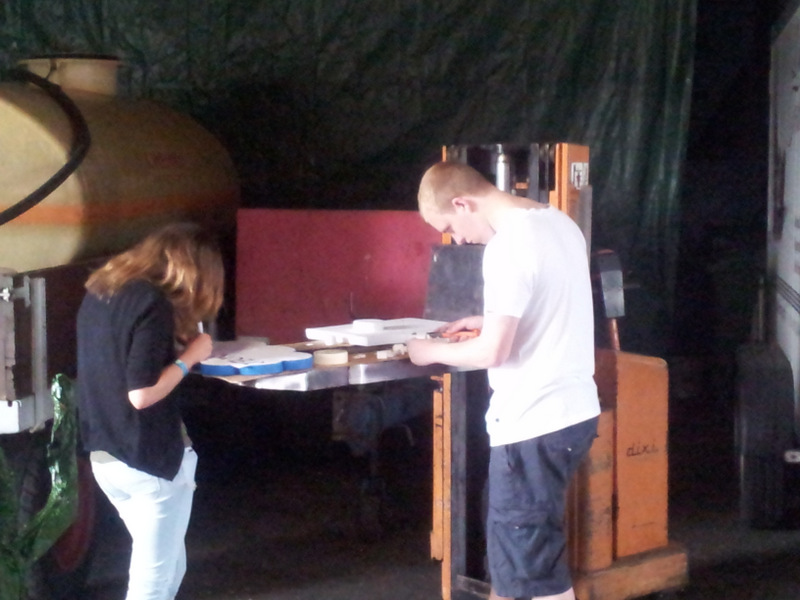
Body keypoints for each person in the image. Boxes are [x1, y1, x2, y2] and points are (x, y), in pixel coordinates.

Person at [407, 161, 600, 600]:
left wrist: (426, 351)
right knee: (520, 566)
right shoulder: (559, 223)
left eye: (450, 227)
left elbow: (491, 353)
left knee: (530, 578)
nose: (457, 240)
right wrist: (489, 320)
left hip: (532, 424)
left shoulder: (507, 247)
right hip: (571, 415)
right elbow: (551, 304)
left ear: (462, 203)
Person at [76, 222, 225, 600]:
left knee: (171, 568)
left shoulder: (101, 291)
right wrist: (192, 356)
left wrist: (174, 350)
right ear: (192, 269)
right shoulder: (152, 302)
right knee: (153, 585)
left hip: (106, 458)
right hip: (150, 462)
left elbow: (119, 365)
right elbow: (141, 394)